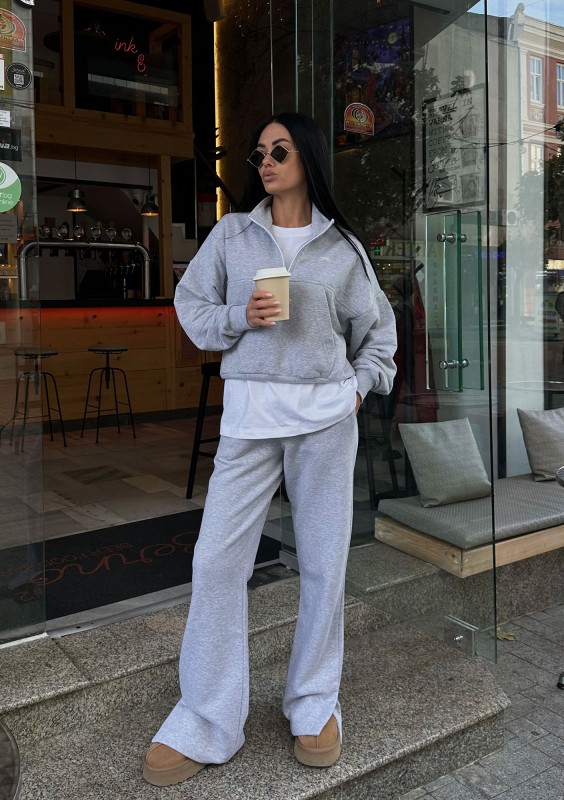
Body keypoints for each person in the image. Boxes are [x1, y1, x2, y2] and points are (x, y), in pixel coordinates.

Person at [143, 111, 397, 787]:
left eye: (279, 151)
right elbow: (192, 307)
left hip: (324, 420)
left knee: (323, 563)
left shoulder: (343, 248)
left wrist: (357, 390)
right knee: (216, 562)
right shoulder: (233, 234)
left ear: (307, 158)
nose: (266, 162)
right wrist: (239, 316)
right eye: (260, 153)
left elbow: (379, 335)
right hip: (250, 418)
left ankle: (313, 702)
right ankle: (207, 717)